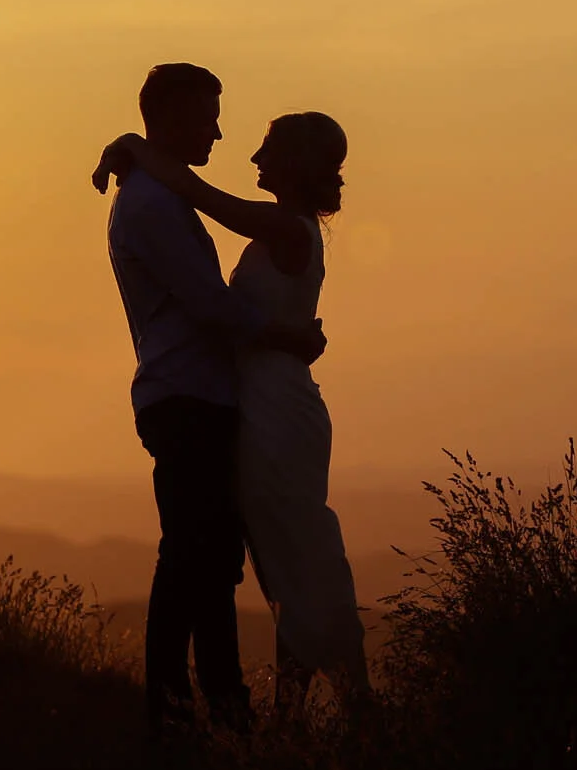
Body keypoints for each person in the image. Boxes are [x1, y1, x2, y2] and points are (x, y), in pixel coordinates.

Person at [96, 108, 371, 721]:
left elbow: (200, 193)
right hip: (261, 402)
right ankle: (291, 711)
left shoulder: (285, 228)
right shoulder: (281, 229)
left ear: (296, 161)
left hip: (276, 408)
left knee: (296, 550)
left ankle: (349, 699)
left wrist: (135, 147)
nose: (252, 158)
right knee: (280, 558)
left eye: (268, 147)